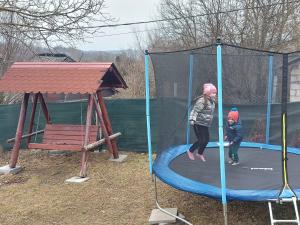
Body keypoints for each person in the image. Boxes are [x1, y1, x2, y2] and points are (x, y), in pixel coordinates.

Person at [187, 83, 217, 161]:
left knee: (206, 140)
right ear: (208, 93)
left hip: (205, 124)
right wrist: (192, 119)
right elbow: (195, 110)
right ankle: (190, 151)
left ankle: (199, 153)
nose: (214, 94)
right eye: (213, 93)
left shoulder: (212, 102)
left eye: (215, 93)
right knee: (201, 140)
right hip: (198, 123)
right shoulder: (202, 101)